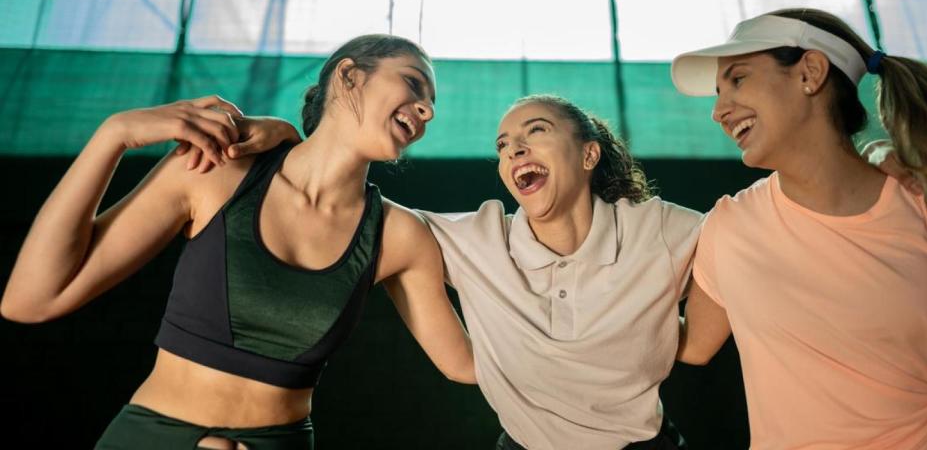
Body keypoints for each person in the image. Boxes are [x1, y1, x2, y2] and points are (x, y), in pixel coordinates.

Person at [0, 34, 475, 449]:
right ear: (348, 75)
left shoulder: (400, 234)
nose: (427, 109)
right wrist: (114, 134)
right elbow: (31, 299)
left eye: (430, 103)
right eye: (413, 84)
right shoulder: (218, 171)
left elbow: (465, 365)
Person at [237, 94, 702, 449]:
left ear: (588, 155)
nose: (514, 149)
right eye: (503, 146)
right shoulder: (474, 239)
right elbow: (353, 209)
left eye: (535, 131)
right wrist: (290, 143)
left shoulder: (659, 229)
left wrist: (655, 328)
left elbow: (745, 236)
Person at [672, 8, 927, 449]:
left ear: (810, 73)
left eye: (737, 80)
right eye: (718, 92)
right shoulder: (729, 227)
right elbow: (691, 345)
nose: (719, 111)